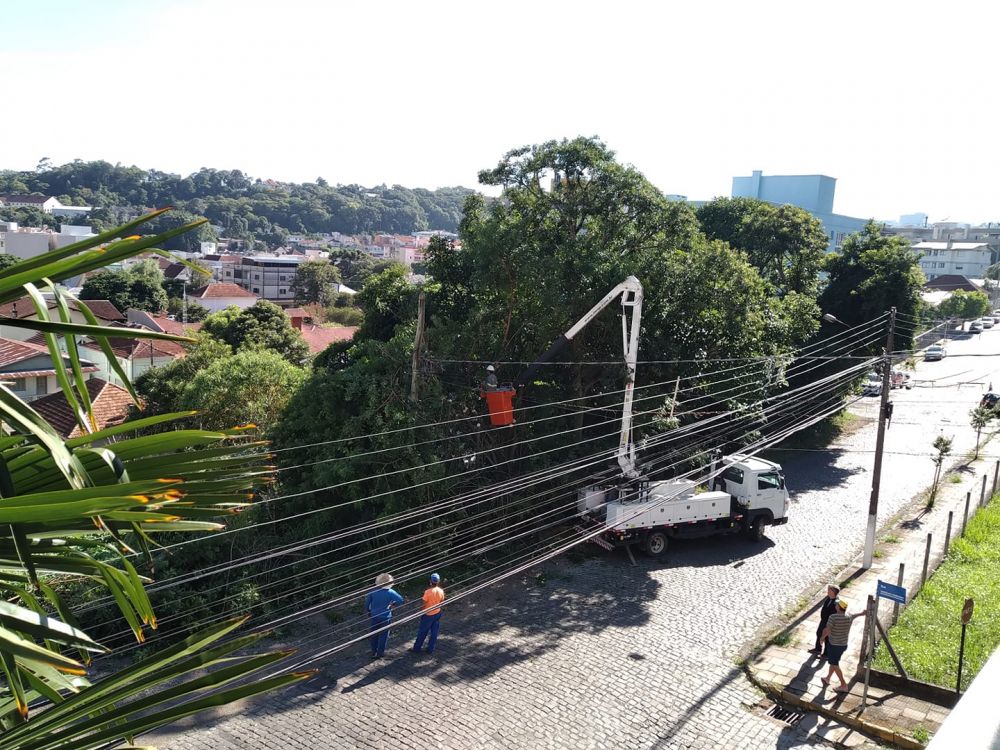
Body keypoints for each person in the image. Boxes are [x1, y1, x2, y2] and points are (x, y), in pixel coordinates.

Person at [820, 599, 864, 693]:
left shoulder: (833, 617)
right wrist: (862, 613)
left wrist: (822, 638)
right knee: (833, 662)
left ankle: (843, 685)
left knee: (835, 664)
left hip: (834, 645)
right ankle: (828, 678)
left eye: (836, 605)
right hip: (843, 645)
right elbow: (855, 615)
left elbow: (827, 630)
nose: (835, 605)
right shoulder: (849, 616)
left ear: (838, 607)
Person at [365, 573, 404, 659]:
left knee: (374, 634)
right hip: (386, 617)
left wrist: (368, 612)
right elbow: (401, 600)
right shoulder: (391, 592)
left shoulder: (372, 591)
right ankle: (380, 652)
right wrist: (393, 605)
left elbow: (367, 604)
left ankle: (373, 651)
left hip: (374, 616)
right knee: (384, 635)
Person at [412, 572, 445, 654]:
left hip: (428, 614)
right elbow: (442, 601)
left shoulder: (428, 592)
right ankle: (430, 649)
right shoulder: (441, 591)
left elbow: (424, 604)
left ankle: (417, 648)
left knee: (422, 632)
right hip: (437, 613)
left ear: (430, 581)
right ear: (438, 581)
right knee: (434, 632)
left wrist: (421, 612)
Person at [807, 584, 840, 657]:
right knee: (819, 633)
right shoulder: (828, 598)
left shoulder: (837, 602)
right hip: (823, 621)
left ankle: (826, 654)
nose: (827, 591)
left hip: (829, 623)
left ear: (832, 592)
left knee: (827, 638)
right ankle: (818, 649)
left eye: (829, 590)